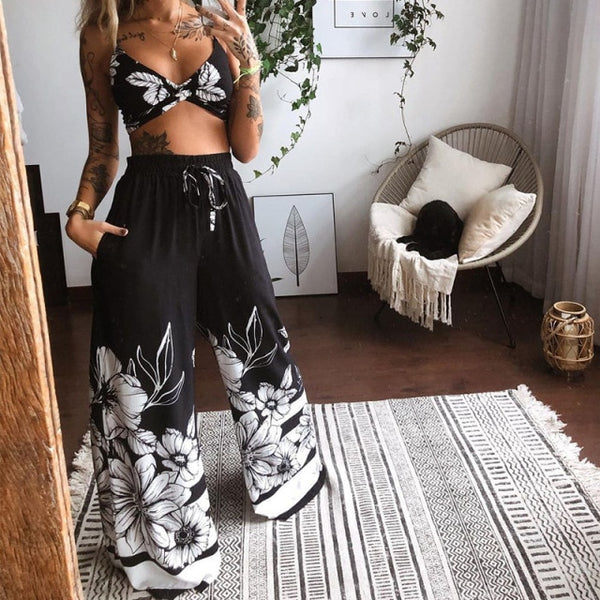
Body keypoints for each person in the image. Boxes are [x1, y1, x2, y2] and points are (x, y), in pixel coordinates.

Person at [65, 1, 325, 597]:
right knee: (148, 370)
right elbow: (103, 148)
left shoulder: (220, 21)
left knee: (258, 345)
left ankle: (282, 476)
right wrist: (79, 214)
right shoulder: (105, 32)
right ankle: (169, 545)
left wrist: (249, 60)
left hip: (222, 204)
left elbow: (247, 148)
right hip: (147, 211)